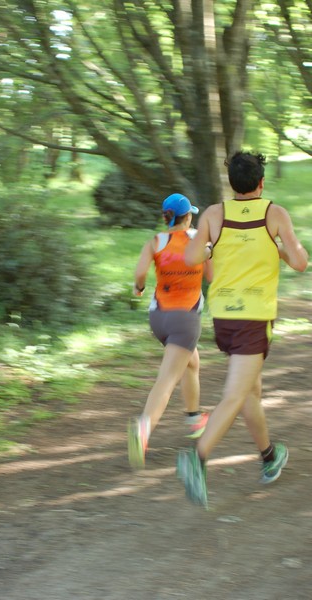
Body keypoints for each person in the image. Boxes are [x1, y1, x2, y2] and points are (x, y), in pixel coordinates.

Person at [178, 151, 308, 508]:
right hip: (254, 316)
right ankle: (197, 458)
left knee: (250, 390)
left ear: (232, 184)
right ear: (262, 182)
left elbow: (191, 259)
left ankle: (268, 456)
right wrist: (278, 248)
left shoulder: (214, 214)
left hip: (225, 317)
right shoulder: (275, 214)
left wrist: (211, 246)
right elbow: (300, 262)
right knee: (235, 395)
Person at [127, 193, 213, 469]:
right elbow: (210, 276)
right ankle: (143, 428)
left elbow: (140, 274)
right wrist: (208, 255)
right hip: (185, 320)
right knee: (167, 380)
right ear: (188, 216)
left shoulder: (155, 242)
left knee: (191, 363)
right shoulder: (199, 240)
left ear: (166, 217)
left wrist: (139, 288)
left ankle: (193, 417)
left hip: (158, 318)